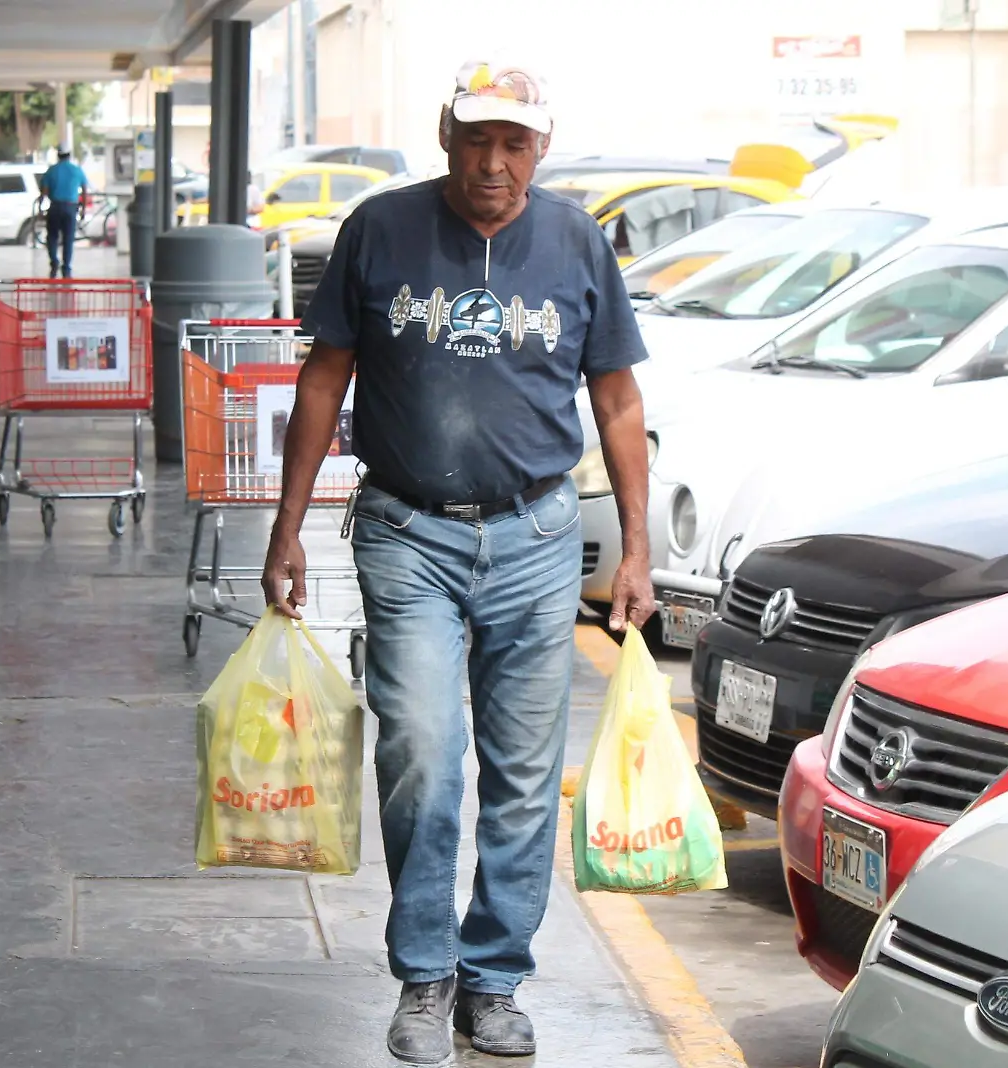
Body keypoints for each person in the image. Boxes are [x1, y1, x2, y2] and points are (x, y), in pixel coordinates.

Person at [262, 61, 655, 1063]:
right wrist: (285, 529)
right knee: (423, 759)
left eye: (514, 142)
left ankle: (494, 977)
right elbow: (323, 380)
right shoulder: (380, 230)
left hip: (535, 538)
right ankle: (426, 975)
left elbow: (613, 398)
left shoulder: (573, 239)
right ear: (446, 136)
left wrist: (640, 549)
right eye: (477, 138)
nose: (494, 161)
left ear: (541, 147)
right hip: (406, 533)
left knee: (523, 778)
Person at [39, 145, 88, 278]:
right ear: (69, 155)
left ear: (58, 155)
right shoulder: (77, 170)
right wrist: (83, 209)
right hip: (70, 208)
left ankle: (54, 261)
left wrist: (40, 210)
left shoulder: (51, 171)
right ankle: (66, 267)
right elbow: (84, 190)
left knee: (52, 237)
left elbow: (44, 192)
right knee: (68, 238)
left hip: (54, 207)